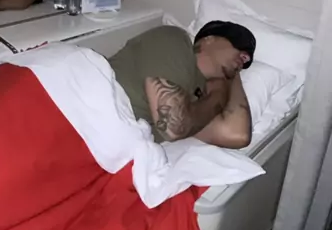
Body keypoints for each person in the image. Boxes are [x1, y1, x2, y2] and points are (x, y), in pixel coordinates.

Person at [108, 20, 256, 150]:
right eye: (238, 45)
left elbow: (237, 135)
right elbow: (173, 129)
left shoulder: (203, 100)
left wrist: (231, 76)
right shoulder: (174, 40)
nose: (245, 59)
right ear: (209, 39)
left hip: (115, 143)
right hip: (100, 111)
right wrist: (219, 95)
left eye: (246, 62)